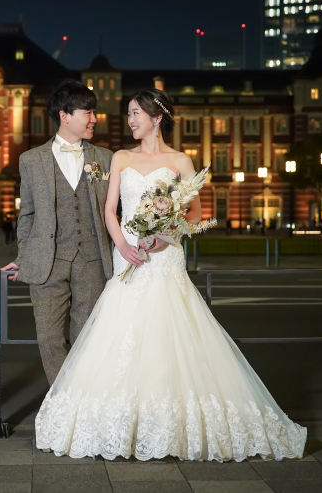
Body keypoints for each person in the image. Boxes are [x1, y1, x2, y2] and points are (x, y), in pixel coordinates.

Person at [34, 88, 307, 462]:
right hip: (128, 257)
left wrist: (165, 235)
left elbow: (194, 215)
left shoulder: (181, 160)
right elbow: (110, 210)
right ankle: (120, 423)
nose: (129, 120)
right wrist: (124, 246)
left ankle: (171, 425)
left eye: (135, 113)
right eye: (128, 114)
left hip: (165, 258)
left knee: (169, 335)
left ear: (156, 117)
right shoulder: (120, 157)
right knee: (121, 336)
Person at [1, 78, 114, 384]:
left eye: (94, 112)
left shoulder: (105, 158)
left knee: (86, 338)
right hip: (47, 262)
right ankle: (63, 403)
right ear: (65, 115)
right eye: (87, 112)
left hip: (93, 261)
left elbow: (115, 211)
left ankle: (83, 407)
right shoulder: (31, 160)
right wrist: (24, 256)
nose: (94, 119)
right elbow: (27, 214)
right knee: (49, 338)